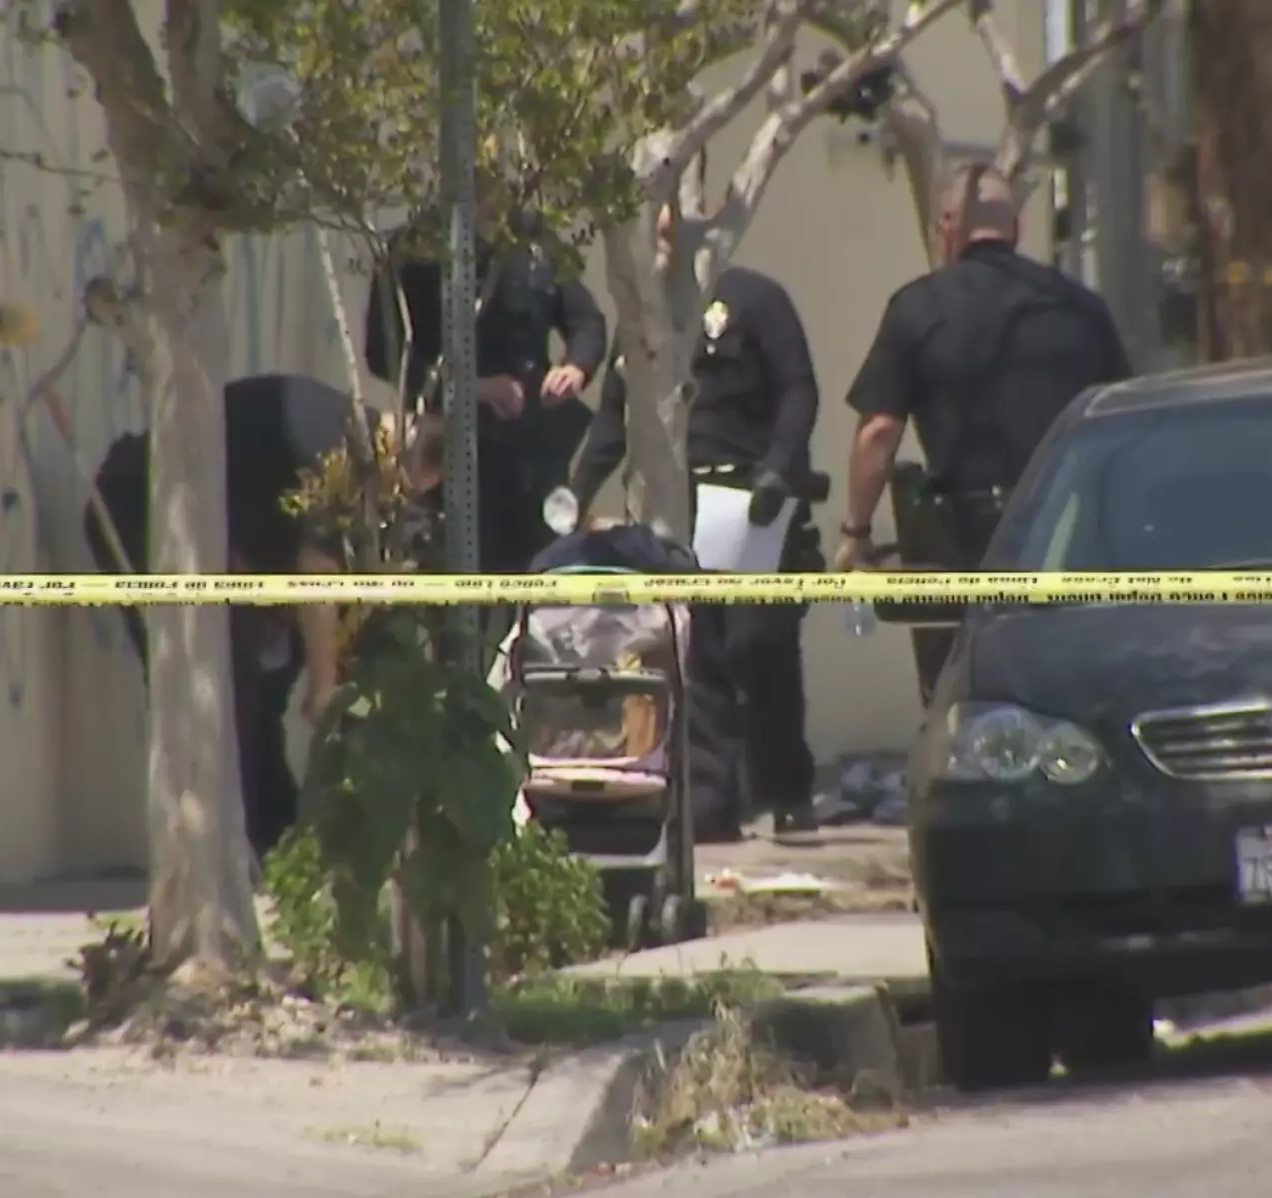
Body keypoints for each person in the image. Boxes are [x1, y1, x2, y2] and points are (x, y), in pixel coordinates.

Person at [82, 373, 443, 859]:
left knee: (263, 682)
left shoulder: (358, 446)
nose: (397, 495)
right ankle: (211, 853)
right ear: (403, 438)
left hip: (221, 545)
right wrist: (324, 684)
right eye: (404, 482)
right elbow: (316, 573)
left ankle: (275, 836)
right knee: (214, 683)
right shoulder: (335, 448)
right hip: (141, 508)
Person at [570, 206, 823, 843]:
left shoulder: (754, 300)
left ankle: (785, 788)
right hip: (673, 502)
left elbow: (799, 391)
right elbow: (613, 420)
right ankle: (711, 798)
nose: (663, 224)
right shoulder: (643, 318)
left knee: (756, 646)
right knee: (690, 650)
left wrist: (778, 469)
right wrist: (571, 490)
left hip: (747, 502)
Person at [836, 164, 1134, 700]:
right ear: (1016, 227)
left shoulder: (919, 307)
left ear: (947, 227)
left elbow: (879, 431)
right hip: (1071, 533)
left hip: (965, 540)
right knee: (1068, 690)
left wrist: (855, 536)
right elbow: (1121, 423)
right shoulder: (1079, 308)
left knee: (966, 690)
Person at [363, 215, 609, 572]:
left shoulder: (533, 241)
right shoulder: (416, 246)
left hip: (530, 454)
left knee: (538, 568)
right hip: (445, 451)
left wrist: (574, 368)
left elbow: (586, 321)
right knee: (450, 572)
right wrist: (471, 387)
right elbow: (383, 351)